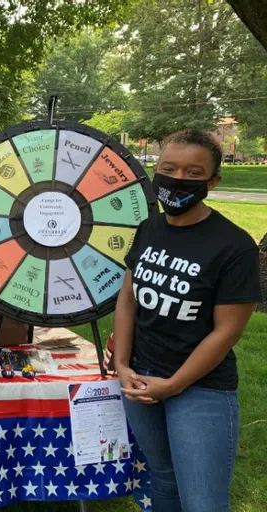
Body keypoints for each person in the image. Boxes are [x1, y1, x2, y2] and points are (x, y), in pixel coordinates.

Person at [112, 129, 260, 512]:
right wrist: (122, 364)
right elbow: (128, 299)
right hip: (142, 378)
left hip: (200, 389)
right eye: (168, 168)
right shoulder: (149, 229)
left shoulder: (234, 245)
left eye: (194, 173)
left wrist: (174, 385)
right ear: (155, 171)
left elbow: (227, 331)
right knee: (164, 482)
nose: (178, 179)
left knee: (203, 503)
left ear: (213, 181)